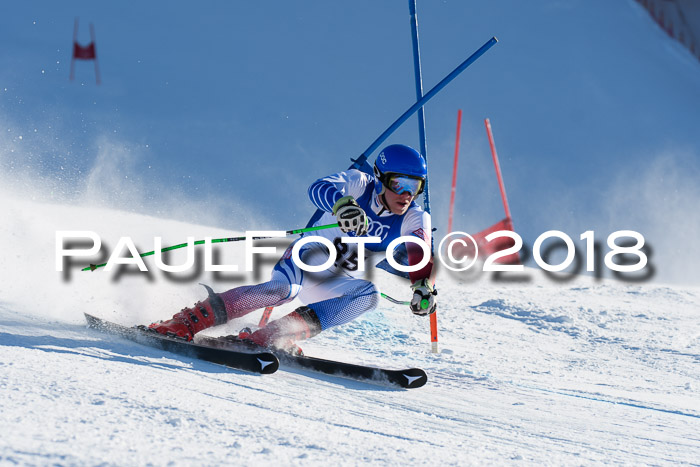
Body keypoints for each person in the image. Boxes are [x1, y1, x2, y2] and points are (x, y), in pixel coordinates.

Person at [148, 144, 437, 352]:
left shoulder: (415, 218)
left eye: (416, 186)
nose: (407, 194)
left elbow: (420, 255)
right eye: (400, 183)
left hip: (338, 280)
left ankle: (271, 336)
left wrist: (423, 287)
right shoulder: (359, 184)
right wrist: (342, 205)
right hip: (305, 260)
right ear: (382, 178)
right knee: (284, 291)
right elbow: (318, 187)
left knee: (368, 295)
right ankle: (184, 322)